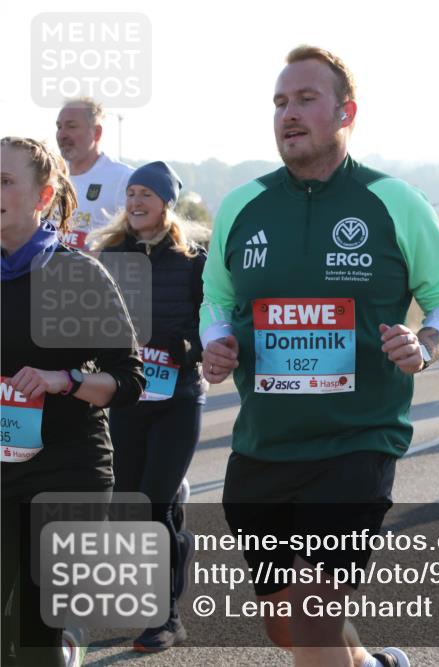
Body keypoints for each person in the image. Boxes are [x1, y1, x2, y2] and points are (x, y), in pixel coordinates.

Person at [199, 46, 439, 667]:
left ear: (347, 111)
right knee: (287, 627)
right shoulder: (243, 205)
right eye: (279, 103)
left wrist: (423, 346)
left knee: (316, 623)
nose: (287, 114)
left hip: (357, 443)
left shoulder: (394, 201)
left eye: (304, 100)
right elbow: (216, 297)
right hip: (263, 446)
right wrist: (218, 340)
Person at [1, 136, 144, 665]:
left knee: (32, 639)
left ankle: (55, 644)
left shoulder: (76, 274)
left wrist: (61, 379)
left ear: (43, 198)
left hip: (67, 469)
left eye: (5, 180)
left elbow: (128, 380)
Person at [92, 161, 206, 651]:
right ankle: (173, 555)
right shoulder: (108, 254)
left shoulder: (194, 257)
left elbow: (215, 321)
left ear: (166, 203)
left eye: (147, 194)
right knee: (133, 504)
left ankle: (165, 618)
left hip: (179, 397)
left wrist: (186, 349)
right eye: (131, 192)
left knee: (155, 500)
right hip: (127, 397)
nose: (136, 201)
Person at [55, 97, 134, 249]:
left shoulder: (124, 179)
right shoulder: (49, 174)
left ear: (97, 132)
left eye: (71, 126)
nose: (62, 135)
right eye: (59, 127)